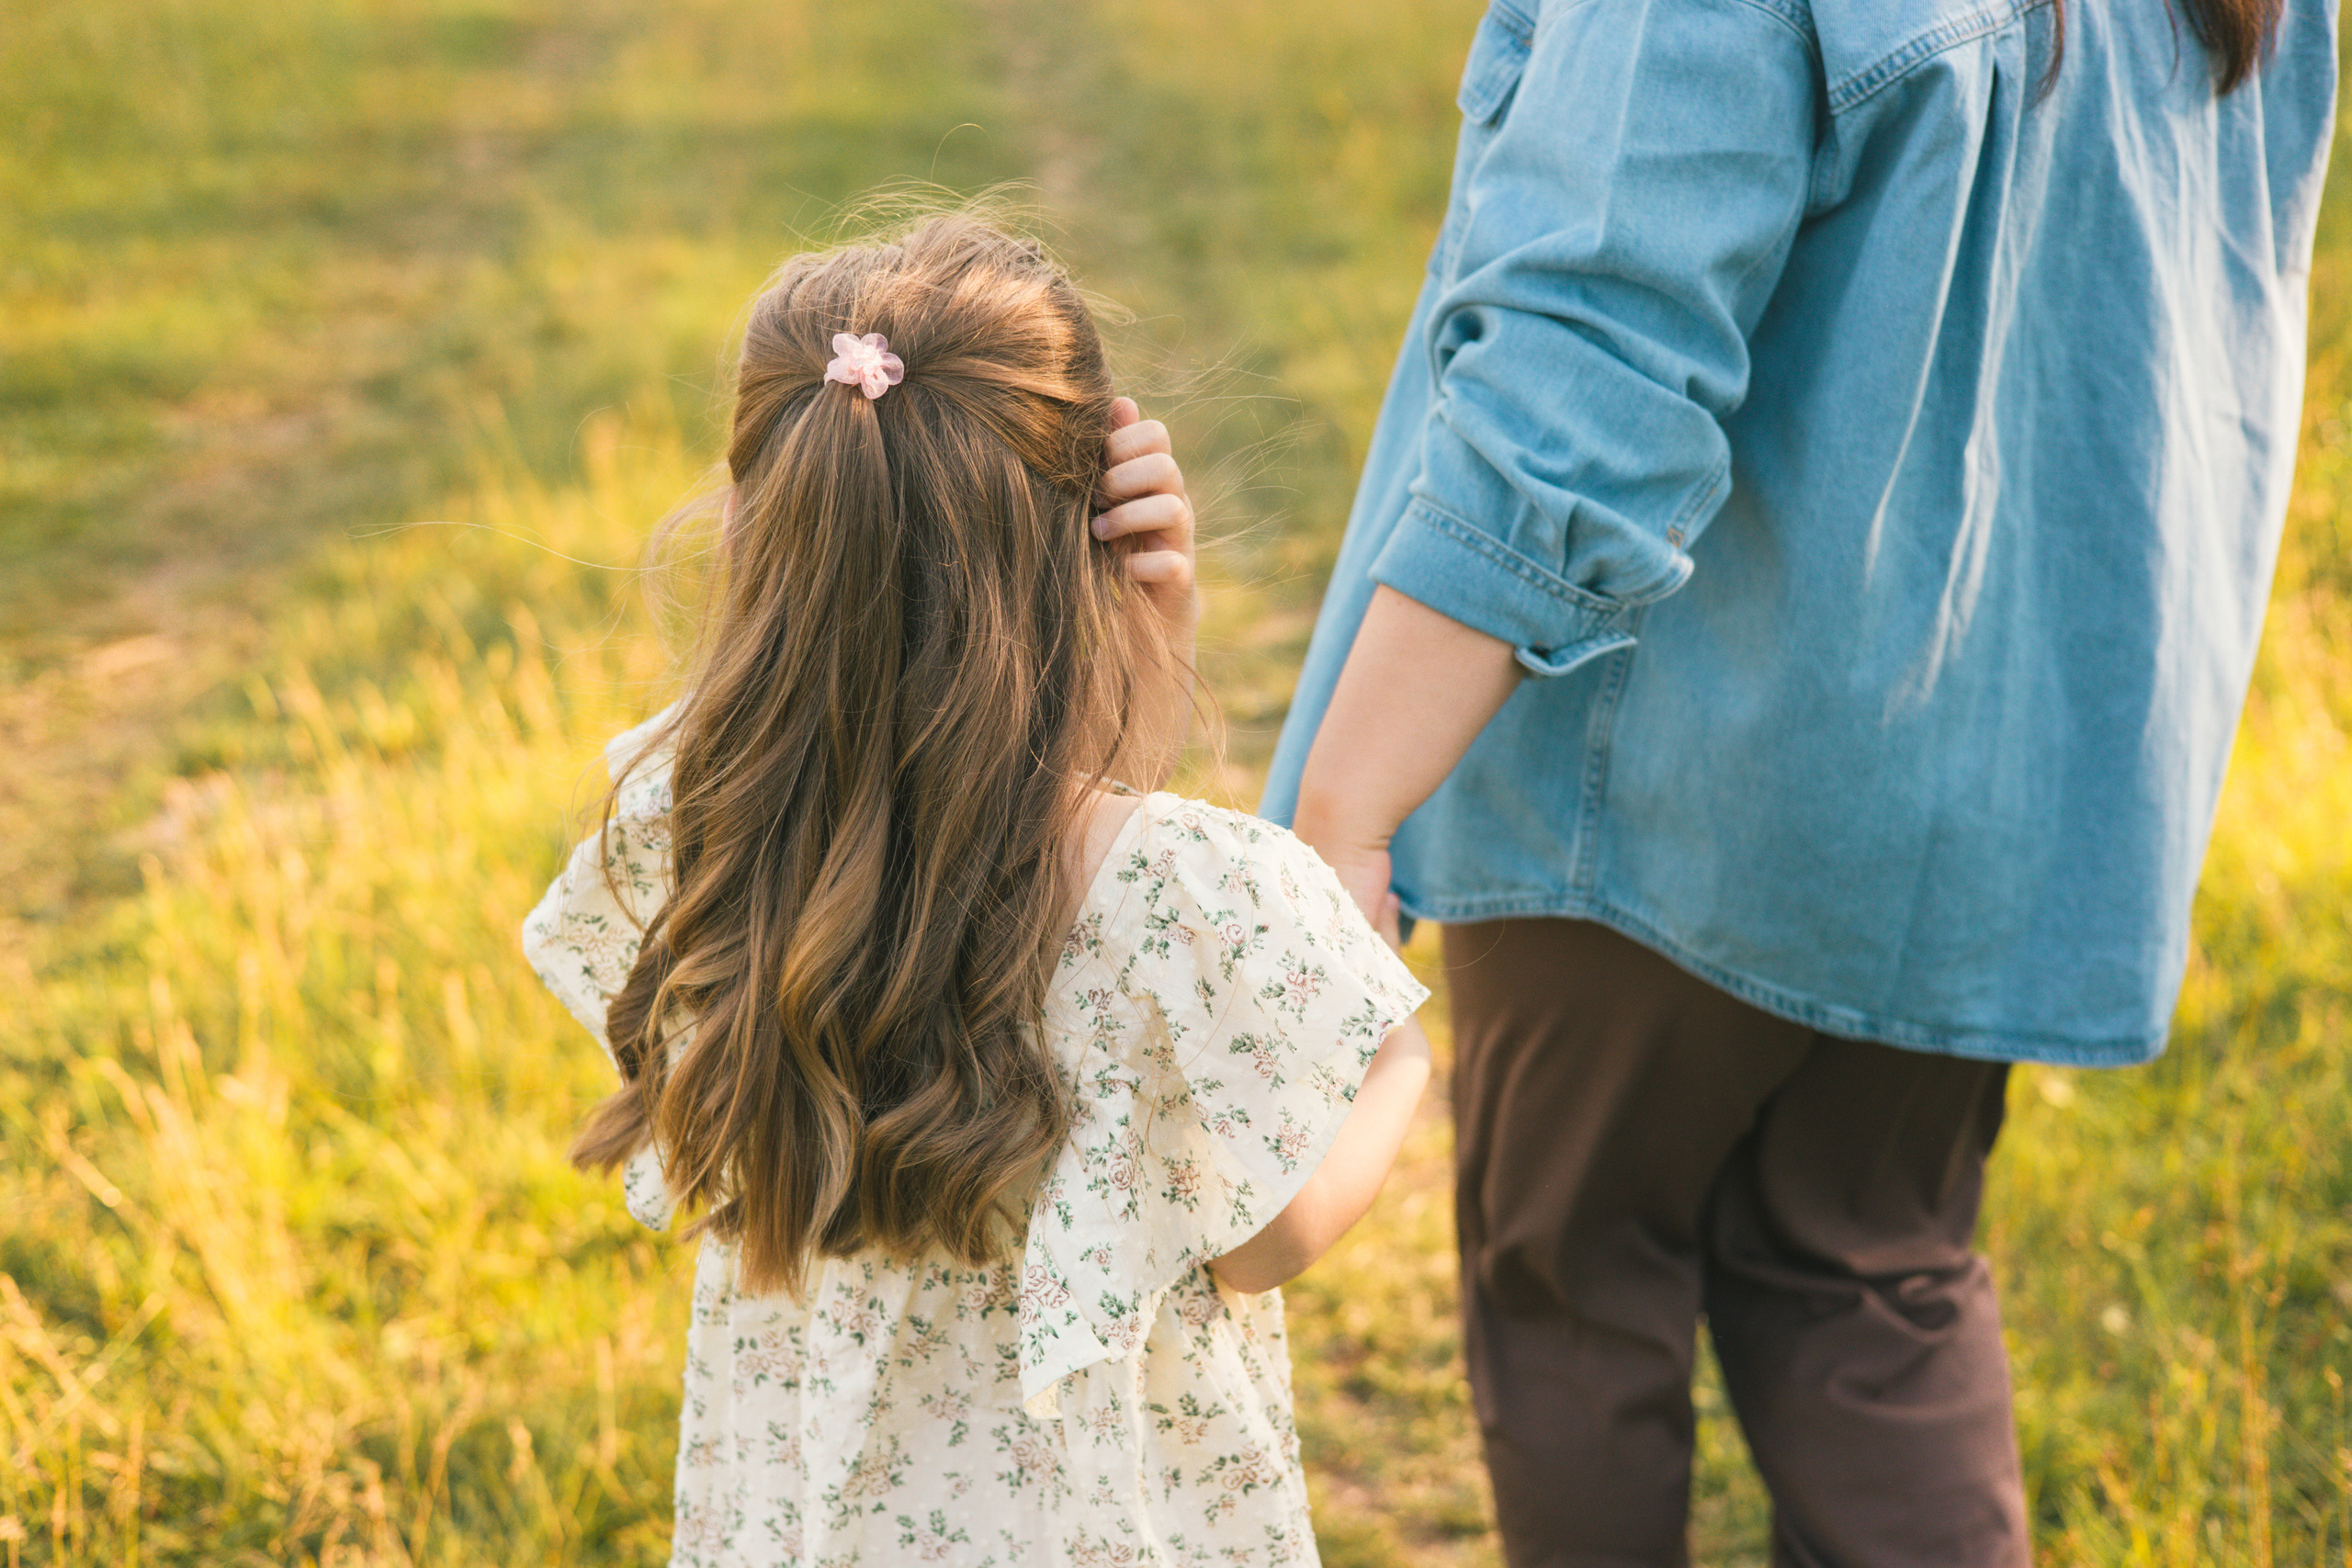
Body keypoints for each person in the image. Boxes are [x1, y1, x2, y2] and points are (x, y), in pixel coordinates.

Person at [1259, 0, 2337, 1562]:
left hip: (1659, 784)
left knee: (1574, 1289)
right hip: (1992, 783)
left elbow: (1586, 366)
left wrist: (1346, 807)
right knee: (1872, 1290)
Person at [520, 215, 1432, 1568]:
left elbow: (953, 851)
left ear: (759, 530)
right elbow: (1265, 1237)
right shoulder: (1187, 893)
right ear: (1095, 546)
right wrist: (1397, 1051)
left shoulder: (688, 820)